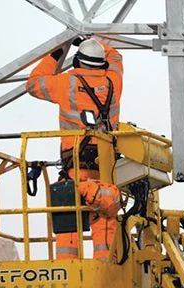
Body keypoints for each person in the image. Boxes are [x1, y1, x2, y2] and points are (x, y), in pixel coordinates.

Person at [26, 36, 124, 261]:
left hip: (76, 169)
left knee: (68, 218)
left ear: (78, 61)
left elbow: (33, 83)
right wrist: (95, 41)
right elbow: (116, 57)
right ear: (103, 64)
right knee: (105, 218)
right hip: (107, 168)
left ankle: (69, 270)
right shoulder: (113, 83)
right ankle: (107, 270)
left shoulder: (67, 83)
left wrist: (58, 52)